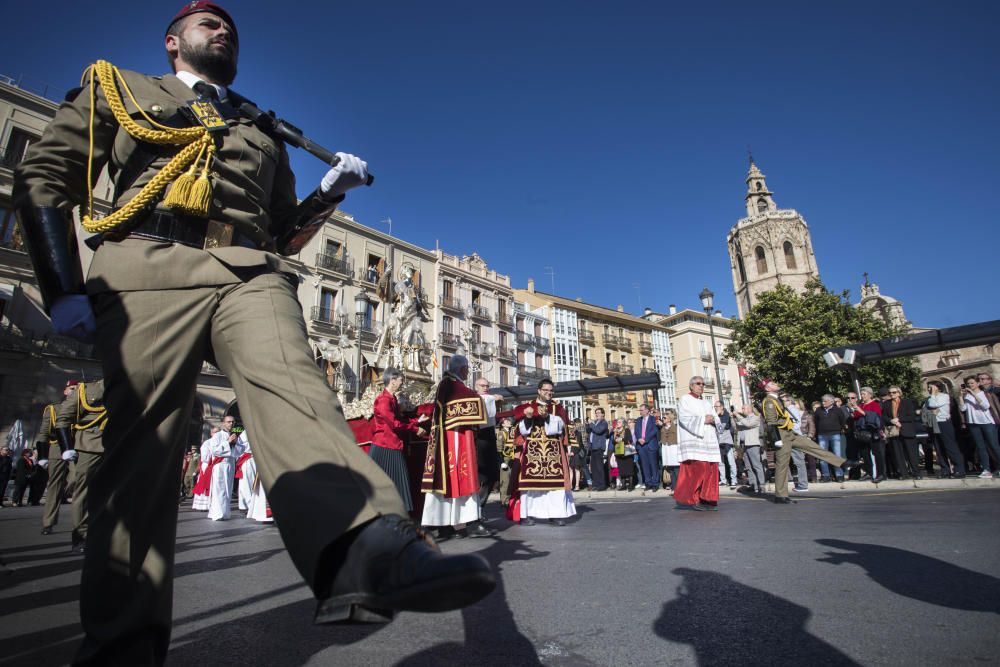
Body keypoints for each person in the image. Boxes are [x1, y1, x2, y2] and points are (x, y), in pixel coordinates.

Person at [14, 3, 493, 657]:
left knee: (298, 390)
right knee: (139, 460)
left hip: (249, 270)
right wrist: (63, 287)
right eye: (206, 21)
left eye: (228, 24)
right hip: (148, 263)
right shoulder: (119, 88)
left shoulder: (260, 127)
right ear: (172, 43)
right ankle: (123, 642)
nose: (222, 28)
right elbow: (44, 176)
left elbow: (279, 233)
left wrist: (328, 193)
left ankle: (365, 547)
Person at [421, 355, 493, 538]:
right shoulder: (451, 384)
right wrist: (485, 399)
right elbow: (467, 398)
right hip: (454, 439)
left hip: (456, 436)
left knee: (456, 480)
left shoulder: (449, 383)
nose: (468, 371)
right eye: (467, 368)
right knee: (462, 478)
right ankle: (469, 524)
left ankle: (446, 525)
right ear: (461, 369)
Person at [762, 380, 859, 504]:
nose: (777, 384)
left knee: (812, 446)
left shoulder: (777, 399)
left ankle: (842, 463)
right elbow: (771, 422)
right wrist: (776, 440)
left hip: (789, 433)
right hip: (781, 435)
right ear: (768, 388)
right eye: (773, 384)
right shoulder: (769, 401)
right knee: (782, 465)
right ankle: (780, 495)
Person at [371, 367, 429, 512]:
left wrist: (417, 421)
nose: (402, 382)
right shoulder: (383, 400)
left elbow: (398, 420)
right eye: (400, 379)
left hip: (391, 444)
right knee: (395, 483)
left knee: (395, 483)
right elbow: (394, 423)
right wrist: (416, 429)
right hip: (385, 446)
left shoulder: (391, 399)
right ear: (392, 381)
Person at [515, 402, 576, 525]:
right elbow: (522, 429)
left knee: (555, 486)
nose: (548, 392)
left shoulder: (558, 408)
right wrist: (528, 416)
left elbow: (559, 429)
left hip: (553, 452)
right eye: (545, 390)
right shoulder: (528, 406)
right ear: (539, 390)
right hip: (533, 451)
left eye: (550, 390)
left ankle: (555, 515)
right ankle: (527, 514)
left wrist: (547, 416)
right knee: (529, 486)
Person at [68, 379, 108, 552]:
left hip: (115, 445)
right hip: (88, 446)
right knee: (82, 490)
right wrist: (66, 448)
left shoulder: (128, 389)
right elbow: (64, 419)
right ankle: (81, 534)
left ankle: (100, 532)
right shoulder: (86, 390)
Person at [674, 377, 721, 511]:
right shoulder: (685, 399)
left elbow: (715, 417)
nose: (701, 386)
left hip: (708, 441)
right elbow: (684, 417)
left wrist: (714, 419)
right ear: (691, 386)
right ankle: (695, 499)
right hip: (695, 440)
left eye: (703, 384)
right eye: (698, 384)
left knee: (711, 470)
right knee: (700, 470)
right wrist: (703, 420)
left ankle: (708, 499)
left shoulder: (706, 402)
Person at [40, 381, 79, 536]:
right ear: (65, 391)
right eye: (72, 389)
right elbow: (43, 432)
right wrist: (42, 456)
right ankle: (48, 523)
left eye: (76, 389)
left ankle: (79, 522)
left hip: (76, 446)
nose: (74, 391)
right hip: (57, 447)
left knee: (77, 479)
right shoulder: (53, 408)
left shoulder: (81, 407)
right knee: (54, 485)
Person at [473, 377, 504, 512]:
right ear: (476, 387)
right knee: (481, 475)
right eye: (482, 386)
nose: (485, 388)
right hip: (478, 439)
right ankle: (475, 509)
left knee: (492, 475)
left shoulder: (489, 398)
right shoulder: (475, 399)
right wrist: (492, 398)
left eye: (487, 386)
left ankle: (479, 506)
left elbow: (493, 417)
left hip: (490, 437)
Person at [959, 375, 1000, 478]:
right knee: (981, 447)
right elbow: (963, 409)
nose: (970, 385)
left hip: (987, 423)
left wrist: (973, 394)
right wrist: (960, 397)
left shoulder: (984, 394)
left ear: (978, 383)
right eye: (968, 384)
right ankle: (986, 469)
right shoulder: (966, 396)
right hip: (973, 424)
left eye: (972, 383)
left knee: (993, 445)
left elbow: (985, 406)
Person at [924, 381, 965, 478]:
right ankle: (945, 470)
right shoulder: (928, 399)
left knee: (950, 446)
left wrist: (933, 396)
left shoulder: (944, 396)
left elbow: (933, 405)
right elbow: (927, 410)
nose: (929, 389)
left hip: (943, 422)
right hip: (933, 423)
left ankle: (959, 469)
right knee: (938, 448)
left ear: (938, 387)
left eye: (931, 387)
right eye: (929, 388)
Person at [882, 386, 922, 480]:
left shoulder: (907, 402)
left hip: (907, 430)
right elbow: (883, 416)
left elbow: (911, 416)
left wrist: (899, 420)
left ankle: (916, 473)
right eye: (890, 393)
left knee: (912, 454)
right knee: (898, 454)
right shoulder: (886, 404)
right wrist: (892, 421)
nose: (892, 394)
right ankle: (903, 473)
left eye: (894, 392)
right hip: (894, 432)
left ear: (899, 393)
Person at [207, 416, 238, 521]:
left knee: (228, 489)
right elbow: (214, 450)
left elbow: (240, 450)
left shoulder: (235, 435)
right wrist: (228, 442)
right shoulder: (217, 436)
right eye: (229, 422)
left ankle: (225, 513)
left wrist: (235, 444)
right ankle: (217, 513)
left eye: (233, 422)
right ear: (223, 423)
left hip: (230, 463)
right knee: (219, 489)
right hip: (220, 465)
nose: (231, 424)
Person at [813, 394, 848, 482]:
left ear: (831, 401)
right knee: (823, 456)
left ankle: (839, 475)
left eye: (825, 401)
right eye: (822, 401)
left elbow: (842, 421)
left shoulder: (838, 410)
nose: (823, 403)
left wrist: (838, 429)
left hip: (835, 434)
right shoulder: (818, 410)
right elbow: (816, 421)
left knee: (837, 455)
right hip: (822, 435)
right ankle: (825, 475)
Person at [735, 405, 766, 494]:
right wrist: (733, 418)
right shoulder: (744, 419)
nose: (742, 410)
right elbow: (738, 426)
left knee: (757, 465)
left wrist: (738, 415)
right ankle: (753, 485)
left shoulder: (755, 418)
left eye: (744, 408)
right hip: (745, 445)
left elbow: (748, 424)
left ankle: (761, 485)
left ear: (749, 409)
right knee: (748, 467)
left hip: (753, 444)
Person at [633, 404, 660, 492]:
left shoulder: (653, 419)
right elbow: (636, 431)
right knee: (645, 466)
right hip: (641, 446)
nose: (640, 412)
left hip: (651, 444)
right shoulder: (638, 420)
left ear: (647, 410)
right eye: (640, 410)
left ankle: (655, 483)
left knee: (653, 465)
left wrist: (645, 439)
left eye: (642, 410)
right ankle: (648, 483)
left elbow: (655, 430)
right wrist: (639, 438)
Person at [191, 426, 218, 511]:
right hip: (207, 465)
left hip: (216, 465)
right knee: (204, 484)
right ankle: (202, 505)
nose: (216, 434)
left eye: (217, 432)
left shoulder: (220, 442)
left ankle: (212, 504)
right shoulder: (207, 443)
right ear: (211, 433)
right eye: (214, 432)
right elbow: (204, 457)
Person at [714, 401, 737, 488]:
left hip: (727, 440)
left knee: (731, 461)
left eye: (717, 406)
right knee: (720, 462)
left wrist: (716, 416)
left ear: (722, 407)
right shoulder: (716, 416)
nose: (716, 408)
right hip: (718, 440)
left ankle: (733, 480)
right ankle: (723, 480)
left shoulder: (726, 415)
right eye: (715, 406)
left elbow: (720, 428)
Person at [586, 408, 610, 491]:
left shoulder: (604, 423)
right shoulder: (595, 422)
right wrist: (588, 424)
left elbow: (598, 430)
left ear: (603, 414)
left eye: (599, 413)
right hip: (592, 447)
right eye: (596, 413)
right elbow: (588, 431)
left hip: (599, 447)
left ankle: (602, 484)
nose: (597, 414)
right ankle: (596, 484)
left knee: (599, 467)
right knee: (594, 467)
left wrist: (591, 424)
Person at [611, 418, 637, 491]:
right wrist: (615, 439)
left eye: (619, 422)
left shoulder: (627, 430)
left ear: (623, 423)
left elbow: (629, 439)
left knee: (629, 469)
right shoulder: (615, 431)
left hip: (627, 452)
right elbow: (613, 441)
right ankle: (623, 484)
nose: (617, 423)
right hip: (619, 452)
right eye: (617, 422)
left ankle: (631, 485)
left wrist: (621, 439)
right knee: (621, 469)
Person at [496, 416, 517, 506]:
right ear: (503, 424)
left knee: (512, 480)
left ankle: (510, 498)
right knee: (505, 481)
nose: (509, 422)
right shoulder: (501, 433)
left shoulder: (512, 432)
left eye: (509, 421)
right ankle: (504, 500)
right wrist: (502, 462)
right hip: (506, 459)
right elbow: (499, 449)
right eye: (507, 421)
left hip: (513, 458)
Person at [660, 409, 680, 492]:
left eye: (666, 415)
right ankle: (673, 487)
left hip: (674, 448)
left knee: (676, 469)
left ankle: (679, 487)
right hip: (667, 449)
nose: (664, 418)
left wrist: (670, 424)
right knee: (670, 469)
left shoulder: (676, 425)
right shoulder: (664, 427)